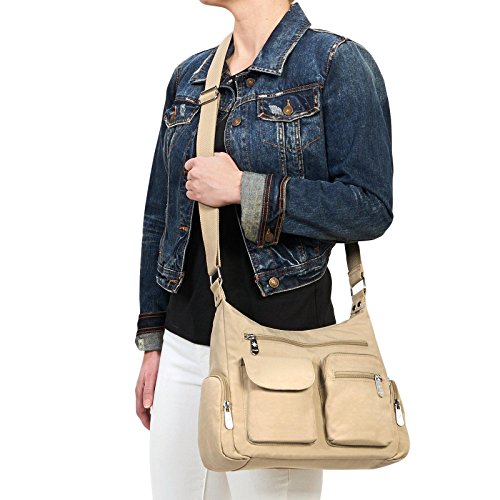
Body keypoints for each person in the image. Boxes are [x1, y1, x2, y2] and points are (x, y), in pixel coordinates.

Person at [135, 1, 394, 498]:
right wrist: (153, 340)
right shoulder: (190, 78)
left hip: (284, 351)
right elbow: (159, 216)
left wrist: (245, 189)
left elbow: (369, 206)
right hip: (185, 347)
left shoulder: (336, 64)